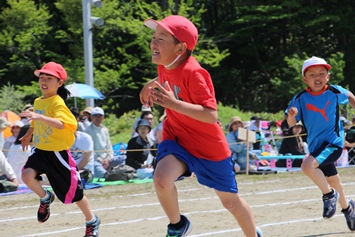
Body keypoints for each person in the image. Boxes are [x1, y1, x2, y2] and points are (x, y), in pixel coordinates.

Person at [140, 15, 262, 237]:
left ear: (180, 48)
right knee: (161, 179)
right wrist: (148, 87)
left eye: (161, 38)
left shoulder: (194, 72)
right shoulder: (166, 64)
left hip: (208, 147)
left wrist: (173, 104)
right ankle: (178, 225)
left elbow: (210, 114)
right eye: (154, 37)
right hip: (177, 137)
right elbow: (164, 77)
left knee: (230, 203)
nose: (153, 43)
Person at [19, 62, 100, 236]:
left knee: (75, 195)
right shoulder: (38, 101)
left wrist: (38, 115)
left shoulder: (58, 103)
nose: (44, 81)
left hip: (58, 154)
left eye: (49, 78)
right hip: (41, 150)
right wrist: (28, 134)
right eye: (42, 77)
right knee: (26, 175)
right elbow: (36, 120)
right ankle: (45, 197)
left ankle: (92, 220)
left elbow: (63, 124)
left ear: (59, 83)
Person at [286, 56, 355, 231]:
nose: (318, 77)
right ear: (304, 79)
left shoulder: (334, 91)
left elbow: (350, 96)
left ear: (328, 76)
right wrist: (292, 115)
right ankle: (348, 209)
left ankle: (329, 196)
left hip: (333, 143)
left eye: (322, 74)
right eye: (312, 74)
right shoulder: (300, 98)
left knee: (307, 166)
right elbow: (291, 124)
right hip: (317, 146)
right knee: (333, 180)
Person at [84, 106, 123, 178]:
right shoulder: (87, 131)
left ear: (103, 118)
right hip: (96, 160)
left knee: (123, 158)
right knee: (95, 166)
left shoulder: (105, 130)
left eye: (100, 116)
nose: (97, 118)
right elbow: (89, 150)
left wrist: (108, 159)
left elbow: (109, 147)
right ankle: (108, 175)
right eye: (95, 116)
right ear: (91, 117)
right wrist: (101, 160)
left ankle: (116, 172)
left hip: (107, 160)